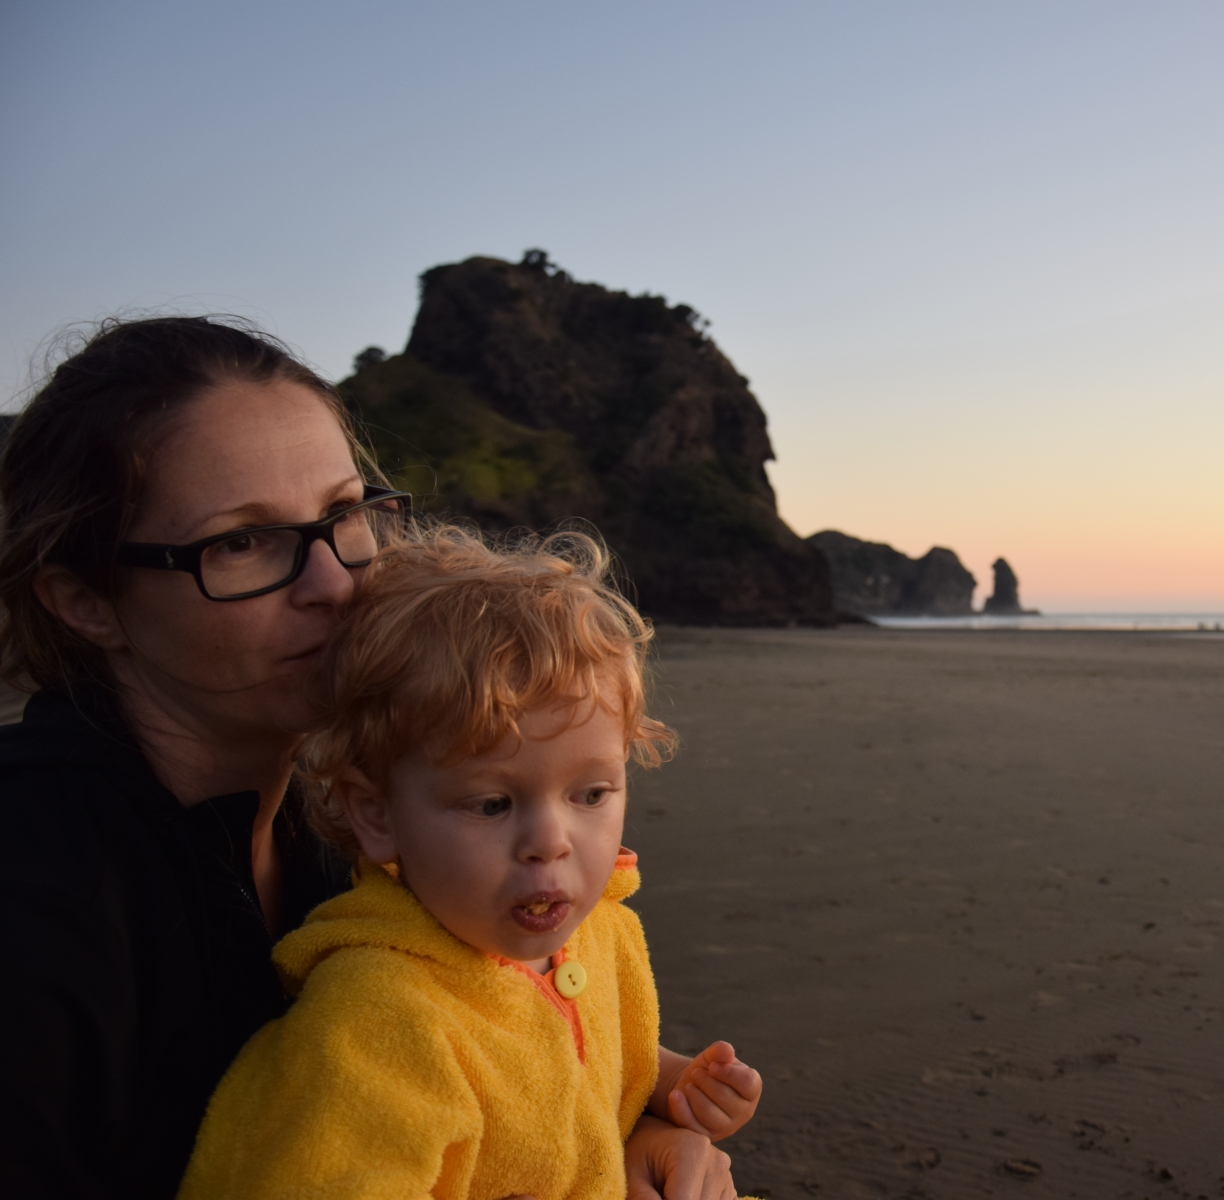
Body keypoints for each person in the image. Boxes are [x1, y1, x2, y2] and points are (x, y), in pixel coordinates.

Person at [0, 316, 735, 1199]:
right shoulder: (37, 895)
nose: (335, 583)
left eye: (344, 516)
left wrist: (639, 1134)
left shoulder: (367, 815)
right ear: (86, 601)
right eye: (240, 542)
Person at [178, 528, 760, 1199]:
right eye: (491, 804)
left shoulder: (599, 933)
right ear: (376, 813)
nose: (551, 841)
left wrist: (674, 1084)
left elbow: (588, 1050)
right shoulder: (376, 1023)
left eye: (591, 794)